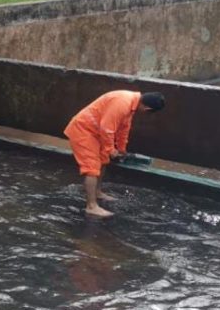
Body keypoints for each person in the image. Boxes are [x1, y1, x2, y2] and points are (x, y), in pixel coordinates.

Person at [63, 90, 165, 218]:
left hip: (96, 132)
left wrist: (122, 149)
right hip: (83, 130)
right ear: (147, 108)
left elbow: (124, 128)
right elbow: (107, 128)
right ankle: (91, 206)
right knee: (91, 169)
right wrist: (110, 149)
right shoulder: (123, 103)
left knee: (103, 161)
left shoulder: (131, 105)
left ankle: (97, 192)